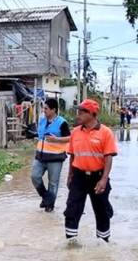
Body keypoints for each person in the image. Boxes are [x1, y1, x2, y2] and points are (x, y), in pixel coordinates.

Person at [64, 99, 118, 242]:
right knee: (72, 210)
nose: (78, 115)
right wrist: (70, 175)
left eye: (82, 112)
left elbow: (108, 157)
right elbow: (72, 156)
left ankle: (103, 243)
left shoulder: (105, 133)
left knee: (102, 212)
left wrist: (104, 179)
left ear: (92, 114)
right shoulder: (75, 132)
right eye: (78, 111)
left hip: (98, 177)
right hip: (78, 177)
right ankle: (71, 244)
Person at [31, 98, 71, 212]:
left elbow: (70, 138)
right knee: (35, 176)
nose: (44, 110)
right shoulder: (42, 121)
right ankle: (46, 197)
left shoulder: (62, 122)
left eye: (46, 108)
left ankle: (50, 206)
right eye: (44, 108)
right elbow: (40, 136)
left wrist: (56, 139)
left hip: (55, 157)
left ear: (53, 110)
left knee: (53, 183)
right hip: (40, 156)